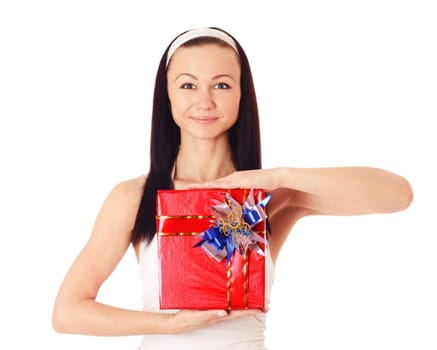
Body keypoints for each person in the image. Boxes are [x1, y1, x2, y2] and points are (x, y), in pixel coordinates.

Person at [52, 27, 414, 349]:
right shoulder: (135, 196)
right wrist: (171, 324)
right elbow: (68, 312)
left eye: (222, 84)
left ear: (243, 94)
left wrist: (278, 176)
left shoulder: (270, 196)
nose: (204, 100)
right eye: (188, 85)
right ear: (167, 96)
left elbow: (398, 195)